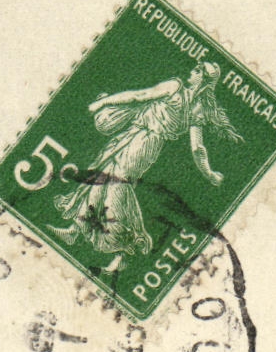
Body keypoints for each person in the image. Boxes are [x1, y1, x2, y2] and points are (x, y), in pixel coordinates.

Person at [50, 60, 243, 275]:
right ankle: (77, 231)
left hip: (142, 142)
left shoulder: (176, 87)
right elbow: (197, 148)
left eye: (198, 70)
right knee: (102, 178)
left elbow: (139, 96)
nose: (193, 70)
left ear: (204, 80)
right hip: (141, 141)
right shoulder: (196, 108)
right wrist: (208, 172)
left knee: (116, 186)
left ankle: (127, 246)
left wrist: (102, 104)